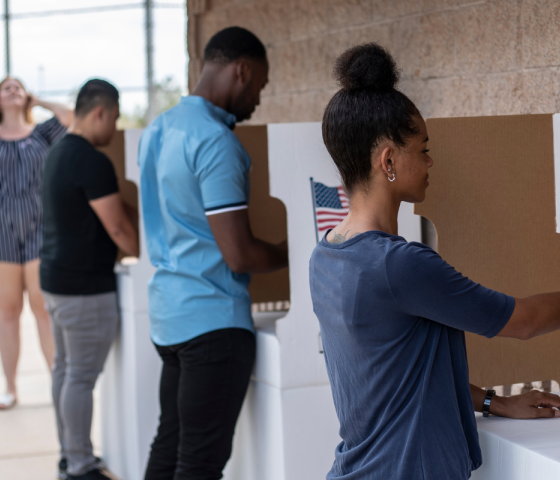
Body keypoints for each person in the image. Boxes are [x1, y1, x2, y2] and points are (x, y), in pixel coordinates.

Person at [309, 43, 560, 480]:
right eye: (422, 148)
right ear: (388, 159)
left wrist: (493, 402)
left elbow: (398, 376)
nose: (430, 161)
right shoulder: (398, 266)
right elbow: (522, 321)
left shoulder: (326, 255)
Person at [138, 26, 288, 480]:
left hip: (168, 318)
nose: (258, 100)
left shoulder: (158, 129)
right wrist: (293, 250)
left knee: (171, 446)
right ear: (241, 71)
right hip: (214, 325)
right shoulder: (216, 142)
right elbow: (239, 254)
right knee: (199, 465)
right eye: (259, 86)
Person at [41, 79, 139, 480]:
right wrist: (143, 253)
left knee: (65, 371)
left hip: (56, 280)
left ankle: (70, 454)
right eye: (114, 118)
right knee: (78, 377)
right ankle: (80, 466)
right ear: (99, 111)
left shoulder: (58, 152)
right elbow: (118, 229)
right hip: (83, 288)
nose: (114, 130)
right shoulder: (92, 162)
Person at [0, 76, 72, 410]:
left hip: (39, 230)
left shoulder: (42, 133)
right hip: (3, 233)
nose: (13, 91)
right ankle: (10, 388)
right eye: (6, 88)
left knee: (42, 308)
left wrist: (38, 101)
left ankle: (55, 382)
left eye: (18, 87)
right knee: (8, 311)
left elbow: (70, 116)